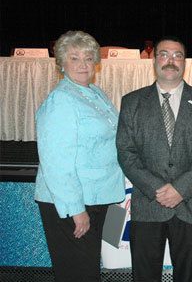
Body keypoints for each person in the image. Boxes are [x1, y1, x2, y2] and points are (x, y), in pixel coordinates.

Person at [116, 36, 192, 281]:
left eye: (177, 55)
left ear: (185, 62)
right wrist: (158, 189)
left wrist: (180, 189)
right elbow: (125, 152)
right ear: (154, 60)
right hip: (148, 206)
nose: (170, 61)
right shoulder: (132, 102)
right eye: (164, 54)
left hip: (190, 206)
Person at [34, 30, 125, 282]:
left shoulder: (94, 92)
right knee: (79, 274)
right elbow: (56, 162)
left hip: (95, 198)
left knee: (87, 272)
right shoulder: (61, 101)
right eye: (74, 58)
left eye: (87, 58)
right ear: (61, 63)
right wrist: (76, 209)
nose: (83, 64)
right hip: (70, 205)